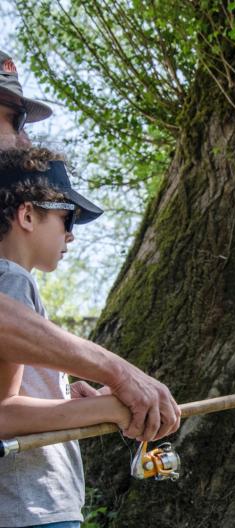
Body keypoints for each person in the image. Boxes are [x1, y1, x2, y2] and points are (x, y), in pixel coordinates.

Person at [0, 146, 163, 528]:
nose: (71, 235)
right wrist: (105, 408)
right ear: (27, 215)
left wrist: (76, 404)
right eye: (65, 218)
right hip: (30, 522)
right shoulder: (10, 282)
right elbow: (3, 415)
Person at [0, 49, 180, 440]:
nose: (24, 138)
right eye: (14, 120)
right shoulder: (11, 279)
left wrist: (74, 402)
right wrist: (115, 379)